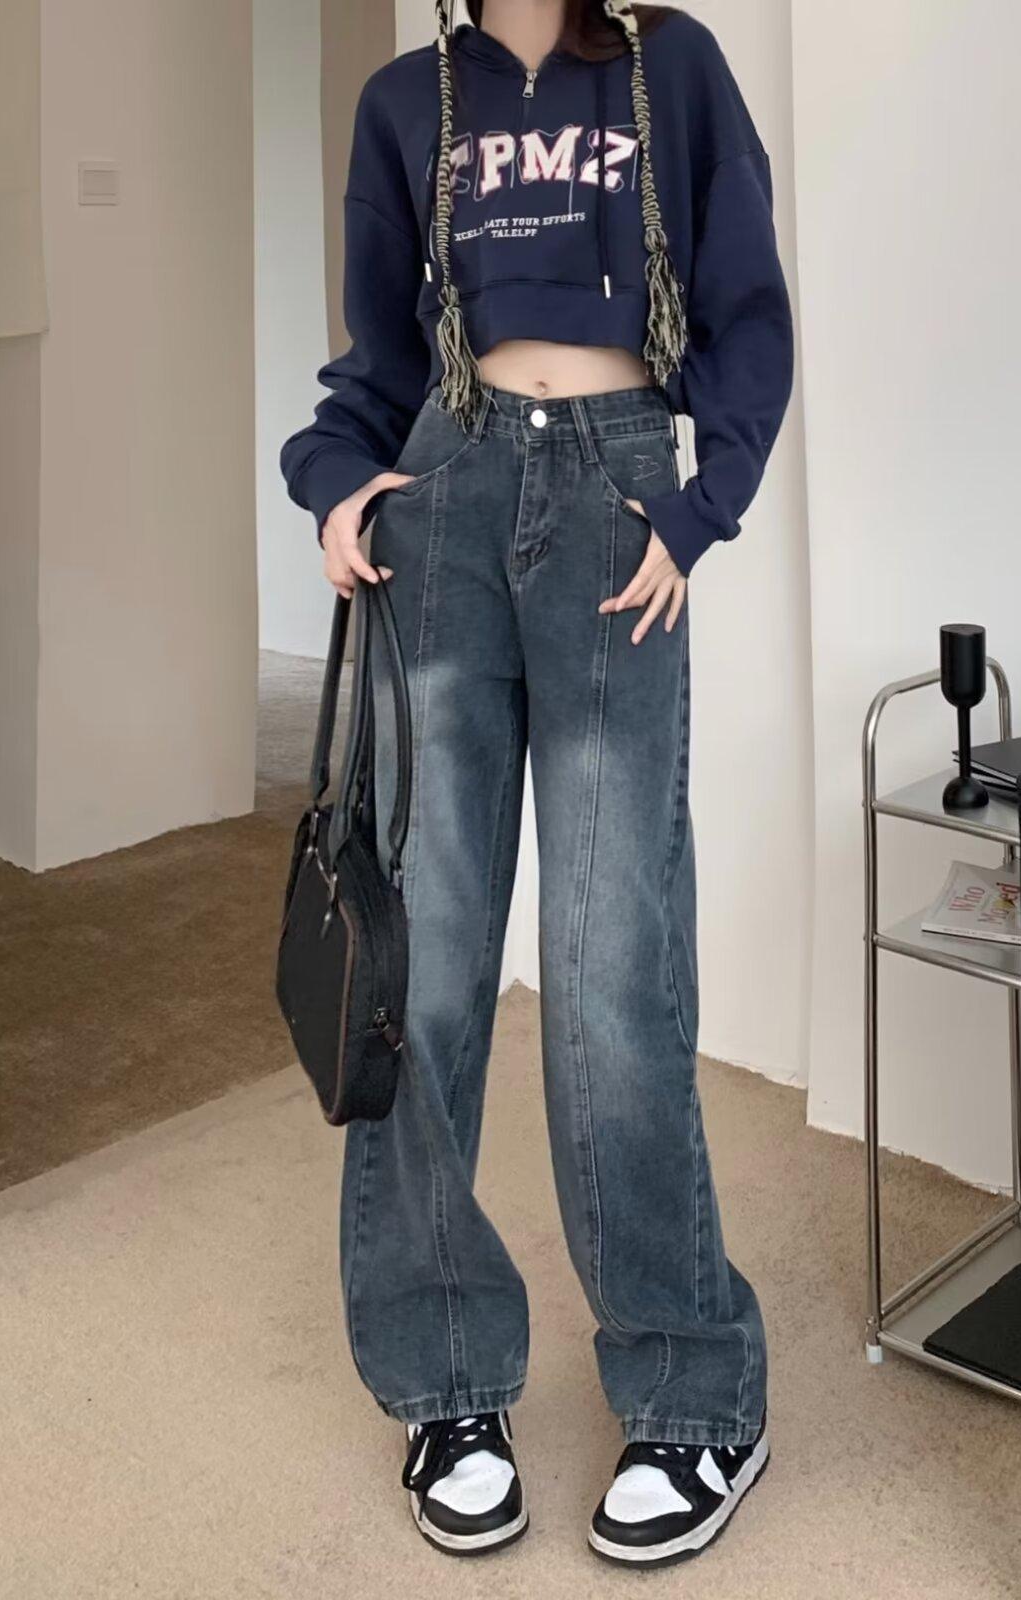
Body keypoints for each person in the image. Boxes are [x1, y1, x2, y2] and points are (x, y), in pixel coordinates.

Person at [280, 0, 793, 1567]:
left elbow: (746, 308)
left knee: (610, 970)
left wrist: (698, 507)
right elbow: (377, 360)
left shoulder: (667, 63)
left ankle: (693, 1388)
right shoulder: (405, 101)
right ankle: (446, 1379)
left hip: (617, 496)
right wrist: (337, 485)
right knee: (423, 974)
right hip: (444, 497)